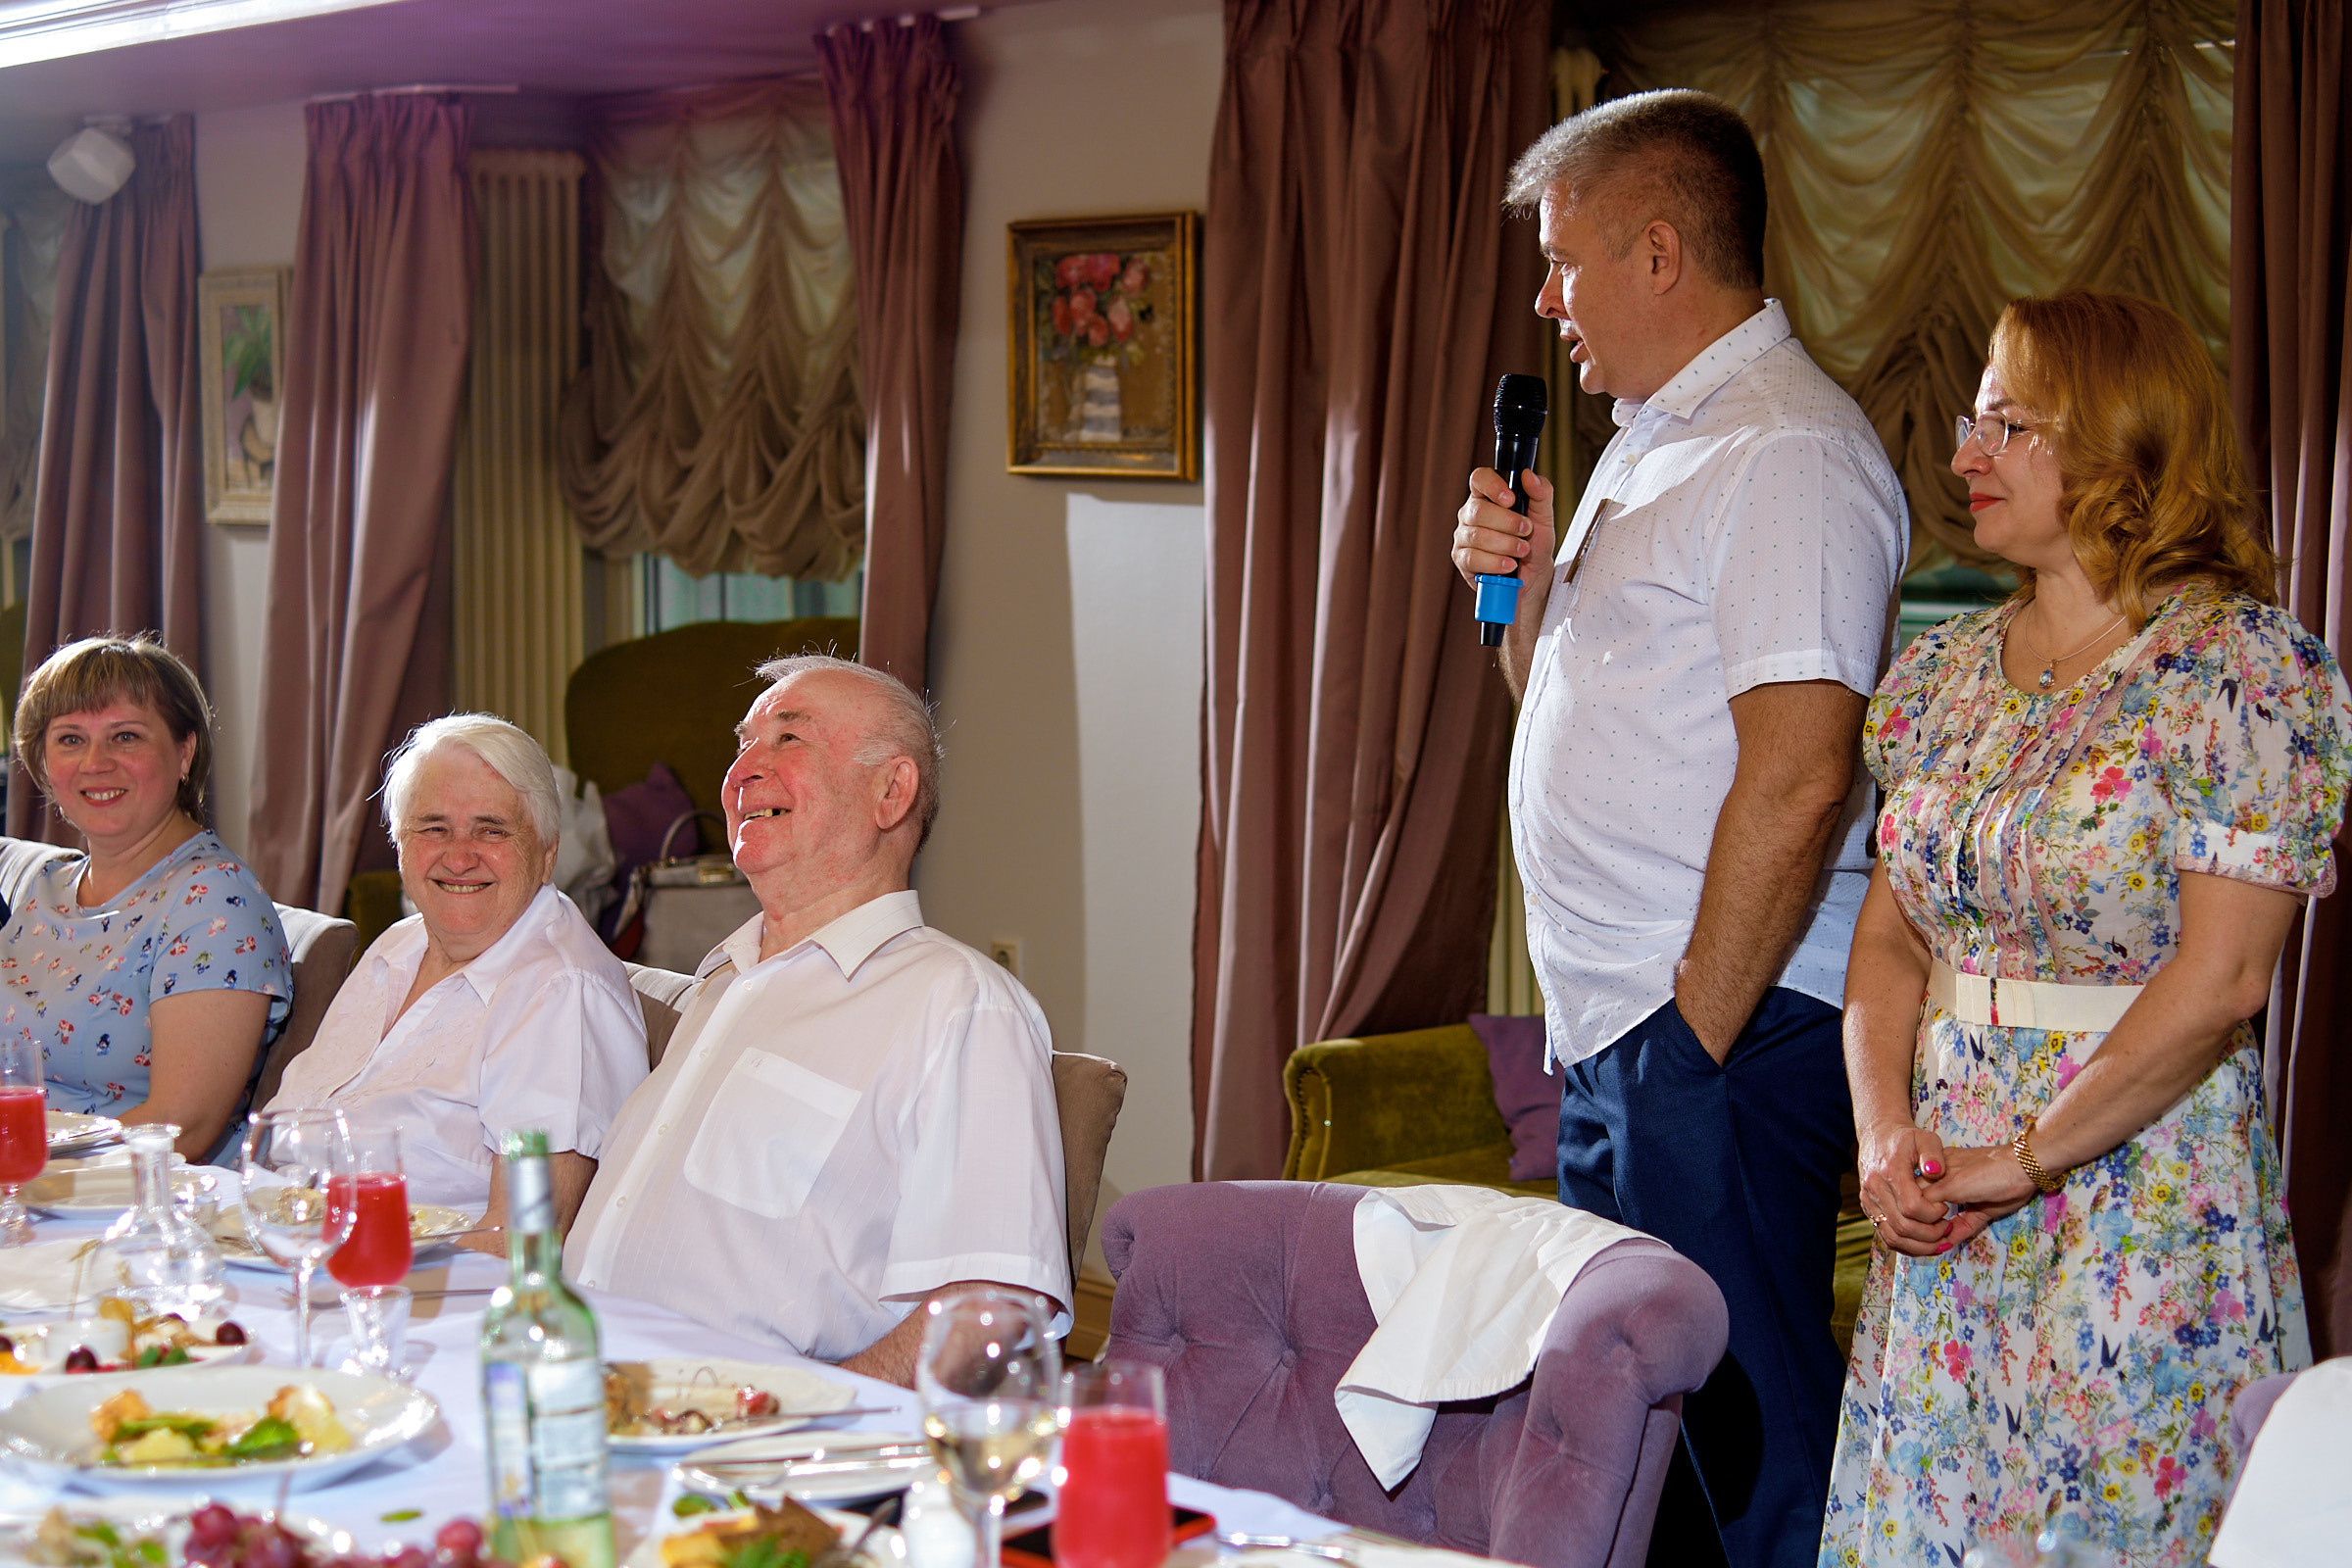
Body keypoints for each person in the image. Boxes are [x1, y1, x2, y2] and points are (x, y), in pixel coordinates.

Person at [1449, 91, 1907, 1568]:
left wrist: (1685, 1043)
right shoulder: (1652, 443)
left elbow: (1801, 777)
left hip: (1717, 1029)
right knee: (1647, 1450)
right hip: (1622, 1028)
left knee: (1750, 1452)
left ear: (1659, 252)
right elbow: (1559, 708)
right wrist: (1508, 592)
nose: (1544, 297)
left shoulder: (1786, 454)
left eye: (1562, 257)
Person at [1821, 293, 2351, 1566]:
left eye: (2006, 422)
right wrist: (1886, 1130)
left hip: (2138, 1193)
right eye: (1970, 420)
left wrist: (2027, 1158)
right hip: (1943, 1193)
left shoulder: (2242, 676)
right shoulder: (1938, 679)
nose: (1964, 455)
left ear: (2118, 441)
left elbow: (2223, 981)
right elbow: (1892, 940)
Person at [564, 655, 1068, 1387]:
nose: (741, 772)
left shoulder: (956, 1004)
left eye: (788, 740)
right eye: (743, 744)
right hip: (572, 1405)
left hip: (746, 1457)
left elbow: (989, 1308)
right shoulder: (719, 985)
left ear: (891, 792)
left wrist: (809, 1426)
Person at [265, 714, 647, 1231]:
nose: (459, 857)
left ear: (547, 851)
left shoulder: (558, 995)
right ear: (400, 842)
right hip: (282, 1242)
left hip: (416, 1293)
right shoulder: (399, 946)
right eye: (433, 828)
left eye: (492, 830)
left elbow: (521, 1238)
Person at [0, 634, 291, 1161]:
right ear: (42, 764)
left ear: (185, 751)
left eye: (126, 736)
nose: (95, 762)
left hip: (128, 1209)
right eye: (70, 739)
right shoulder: (44, 887)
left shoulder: (213, 903)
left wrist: (23, 1157)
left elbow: (185, 1125)